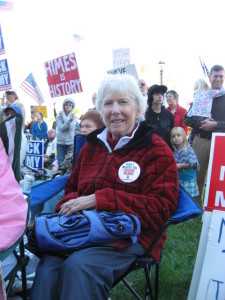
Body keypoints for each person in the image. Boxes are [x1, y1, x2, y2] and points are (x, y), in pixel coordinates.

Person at [30, 74, 178, 300]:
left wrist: (100, 199)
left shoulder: (155, 150)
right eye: (108, 103)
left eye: (123, 102)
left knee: (79, 267)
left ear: (138, 110)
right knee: (49, 266)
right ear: (101, 110)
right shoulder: (92, 147)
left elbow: (162, 206)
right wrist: (69, 209)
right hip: (82, 231)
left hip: (132, 236)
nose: (115, 110)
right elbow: (72, 188)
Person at [184, 64, 225, 205]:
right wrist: (201, 122)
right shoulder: (202, 96)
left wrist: (216, 125)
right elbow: (187, 118)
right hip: (201, 141)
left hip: (221, 142)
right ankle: (196, 206)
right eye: (215, 76)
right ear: (210, 77)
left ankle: (217, 207)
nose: (218, 79)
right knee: (197, 176)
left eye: (221, 76)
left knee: (219, 178)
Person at [170, 127, 199, 198]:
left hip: (188, 180)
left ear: (183, 136)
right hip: (180, 180)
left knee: (188, 199)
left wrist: (181, 165)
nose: (176, 138)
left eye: (178, 135)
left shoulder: (188, 149)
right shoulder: (175, 151)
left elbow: (194, 164)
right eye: (173, 136)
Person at [145, 84, 174, 150]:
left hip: (168, 150)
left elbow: (172, 134)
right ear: (150, 97)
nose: (160, 96)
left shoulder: (169, 115)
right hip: (152, 151)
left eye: (161, 94)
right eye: (156, 94)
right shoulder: (145, 117)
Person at [56, 98, 80, 166]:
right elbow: (62, 128)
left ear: (72, 107)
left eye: (70, 105)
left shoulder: (74, 117)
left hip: (70, 143)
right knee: (60, 164)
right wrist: (69, 120)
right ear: (63, 106)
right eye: (66, 104)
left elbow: (71, 127)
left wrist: (64, 118)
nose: (68, 106)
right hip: (60, 143)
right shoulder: (58, 116)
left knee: (69, 165)